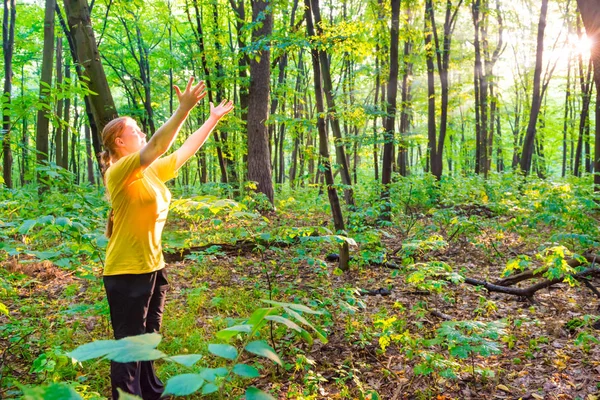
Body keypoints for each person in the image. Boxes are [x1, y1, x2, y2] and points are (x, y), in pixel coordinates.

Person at [98, 77, 234, 399]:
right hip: (126, 272)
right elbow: (159, 144)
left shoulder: (150, 171)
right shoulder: (118, 172)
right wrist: (183, 109)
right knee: (130, 347)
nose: (142, 133)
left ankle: (150, 393)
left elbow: (182, 151)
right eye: (135, 131)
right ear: (119, 142)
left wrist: (211, 119)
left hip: (152, 267)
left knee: (148, 337)